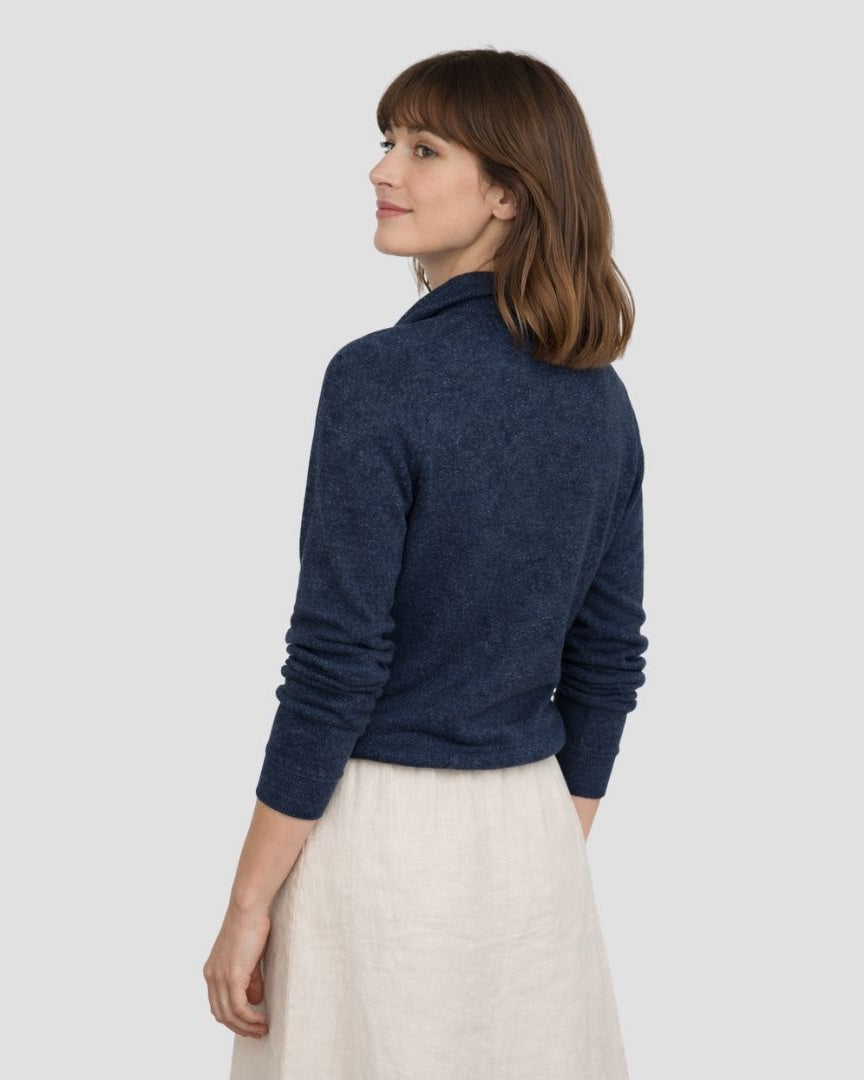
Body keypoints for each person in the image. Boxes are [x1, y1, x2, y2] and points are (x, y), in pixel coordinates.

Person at [204, 46, 648, 1080]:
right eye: (387, 142)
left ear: (507, 192)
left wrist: (248, 902)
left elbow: (335, 665)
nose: (382, 170)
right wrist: (548, 840)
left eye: (423, 148)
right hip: (535, 840)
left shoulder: (381, 377)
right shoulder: (600, 400)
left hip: (378, 842)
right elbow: (606, 662)